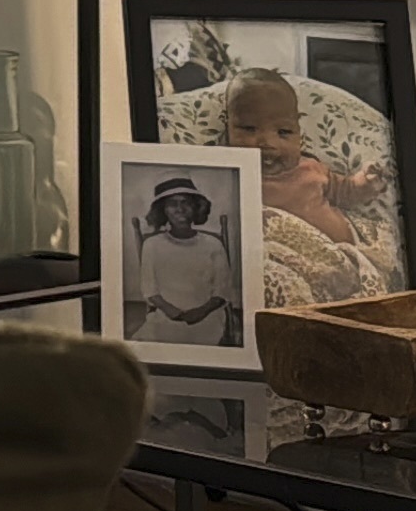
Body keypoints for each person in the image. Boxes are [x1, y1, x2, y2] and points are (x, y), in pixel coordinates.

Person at [223, 70, 395, 304]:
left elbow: (346, 192)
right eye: (249, 129)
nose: (267, 143)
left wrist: (366, 182)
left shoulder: (312, 169)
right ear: (227, 128)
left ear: (299, 135)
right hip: (291, 265)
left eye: (283, 132)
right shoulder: (230, 178)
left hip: (344, 261)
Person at [134, 176, 240, 346]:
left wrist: (200, 312)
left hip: (207, 317)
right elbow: (149, 289)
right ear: (163, 211)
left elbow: (223, 289)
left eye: (186, 203)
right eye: (172, 204)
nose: (180, 209)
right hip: (166, 315)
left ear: (197, 208)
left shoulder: (213, 244)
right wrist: (173, 313)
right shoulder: (152, 245)